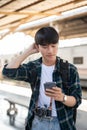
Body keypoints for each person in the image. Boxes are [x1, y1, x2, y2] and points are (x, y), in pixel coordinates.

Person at [2, 26, 82, 130]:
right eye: (45, 47)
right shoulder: (33, 68)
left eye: (53, 46)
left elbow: (77, 100)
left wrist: (62, 97)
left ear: (58, 44)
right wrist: (28, 51)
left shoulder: (70, 69)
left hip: (62, 123)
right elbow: (8, 72)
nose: (50, 51)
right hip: (37, 122)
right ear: (38, 47)